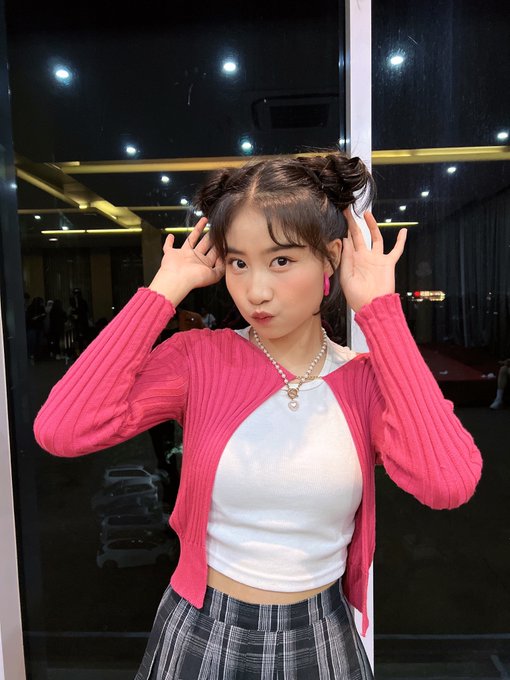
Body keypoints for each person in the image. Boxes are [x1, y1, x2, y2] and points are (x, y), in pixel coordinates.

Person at [34, 151, 483, 680]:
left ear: (331, 257)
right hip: (201, 626)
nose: (256, 291)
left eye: (281, 260)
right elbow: (62, 429)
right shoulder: (200, 359)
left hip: (322, 632)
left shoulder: (364, 382)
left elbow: (448, 482)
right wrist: (162, 292)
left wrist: (379, 313)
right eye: (238, 262)